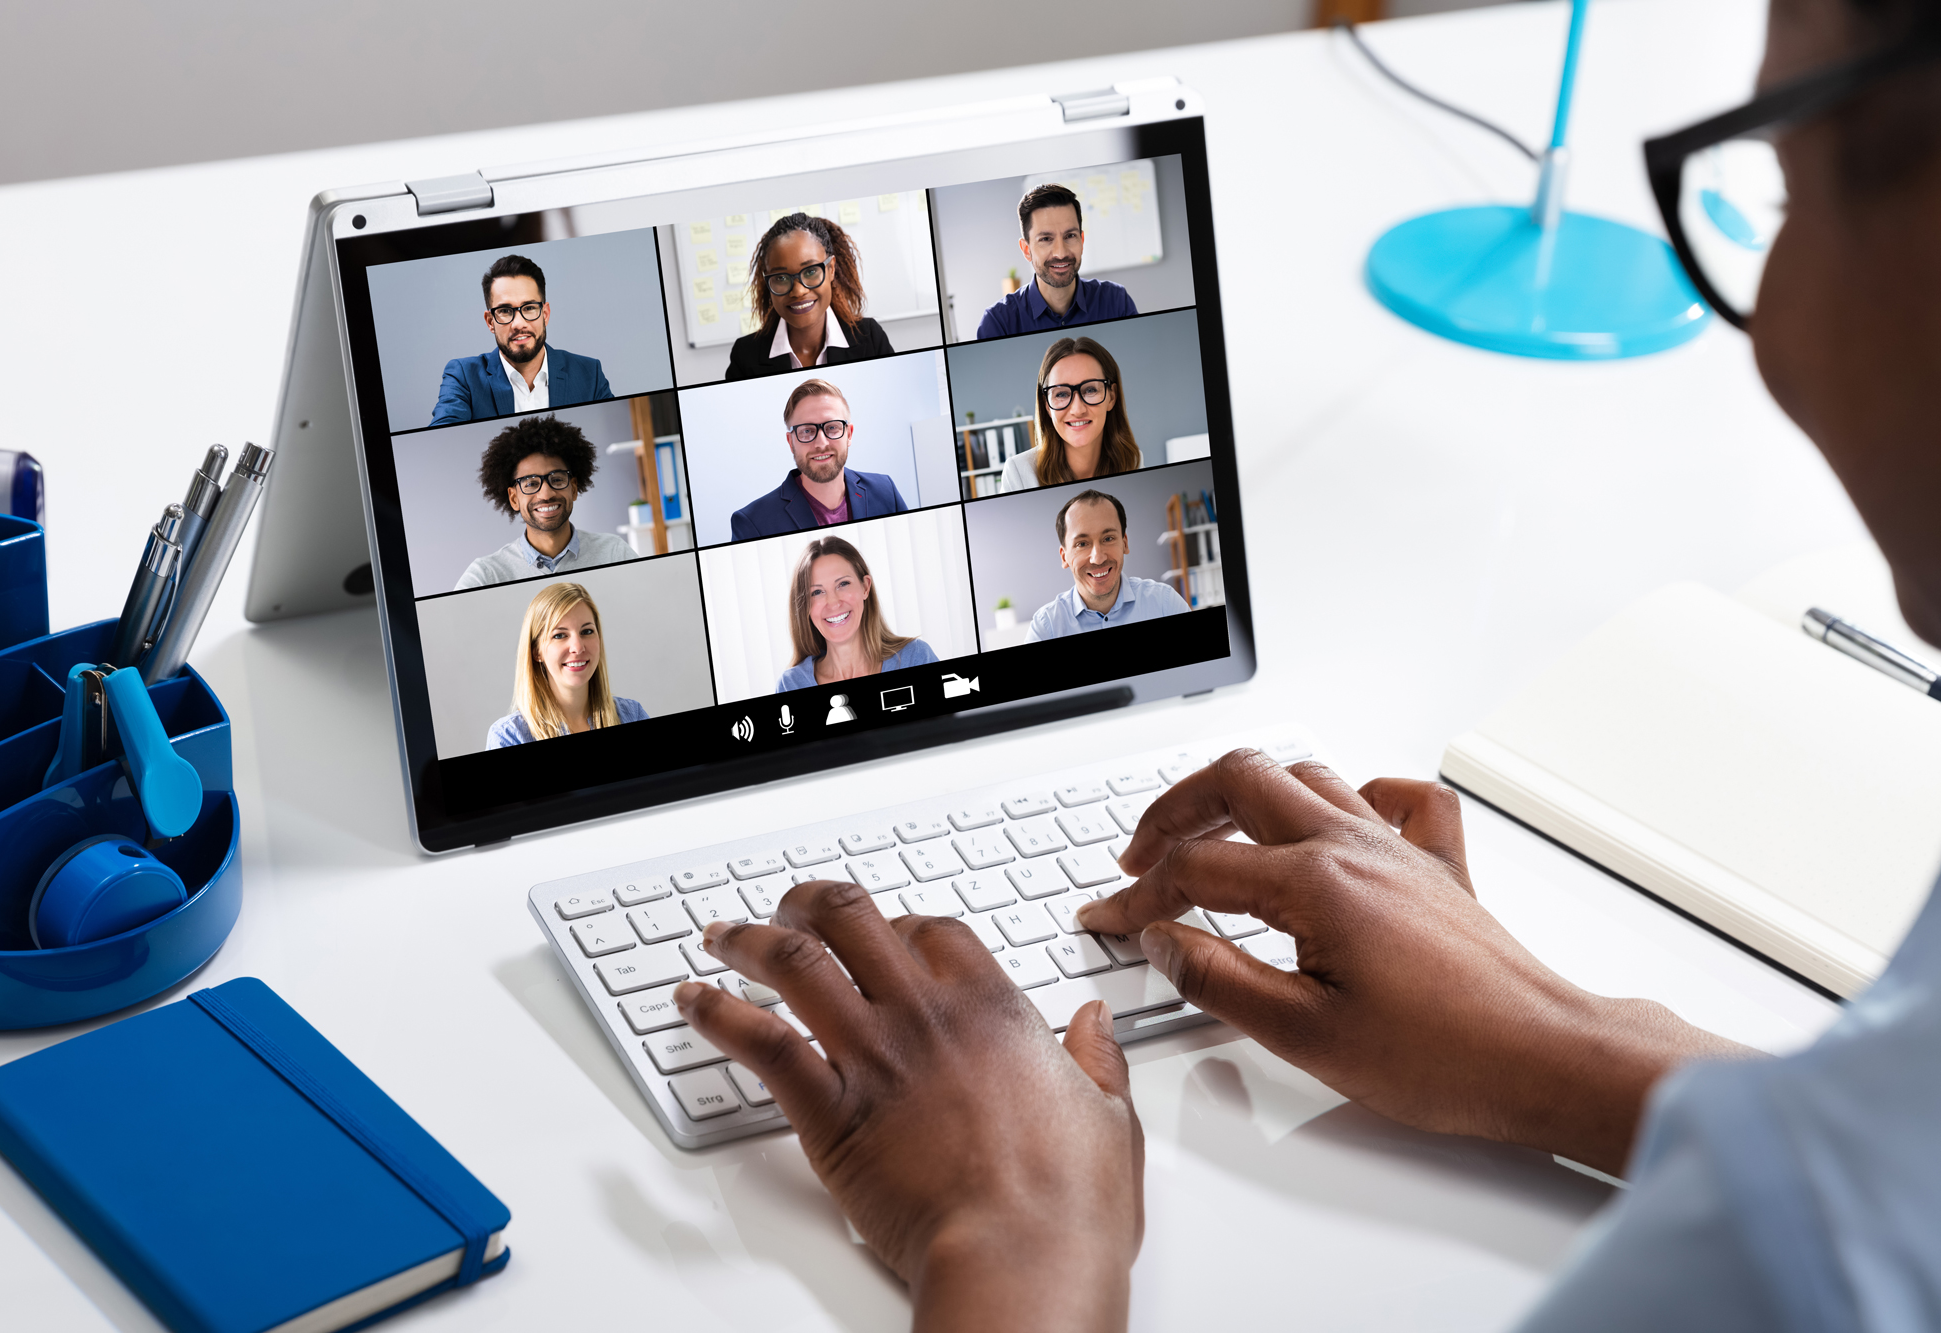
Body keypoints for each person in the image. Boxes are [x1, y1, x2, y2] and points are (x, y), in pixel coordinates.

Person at [666, 0, 1941, 1325]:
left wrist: (1012, 1233)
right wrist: (1563, 1040)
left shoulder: (1805, 1254)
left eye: (1786, 182)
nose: (1769, 313)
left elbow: (1863, 1193)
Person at [429, 255, 612, 427]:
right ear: (490, 321)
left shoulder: (590, 374)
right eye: (505, 311)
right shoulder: (464, 377)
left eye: (529, 308)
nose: (518, 324)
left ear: (545, 314)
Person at [455, 416, 636, 589]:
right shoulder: (486, 576)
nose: (546, 494)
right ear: (514, 499)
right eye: (531, 484)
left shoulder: (614, 553)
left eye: (556, 480)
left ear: (573, 489)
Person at [729, 378, 909, 540]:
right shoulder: (753, 523)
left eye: (832, 428)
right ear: (790, 442)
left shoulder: (886, 491)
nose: (821, 443)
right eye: (807, 431)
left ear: (849, 434)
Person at [726, 214, 895, 380]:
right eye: (781, 278)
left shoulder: (870, 338)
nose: (798, 291)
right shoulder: (745, 356)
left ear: (831, 269)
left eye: (811, 271)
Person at [486, 582, 648, 747]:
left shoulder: (632, 714)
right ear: (537, 651)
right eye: (559, 635)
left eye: (587, 632)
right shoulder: (509, 737)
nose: (577, 647)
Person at [975, 181, 1139, 340]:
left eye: (1070, 236)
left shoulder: (1116, 302)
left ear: (1081, 241)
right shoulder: (999, 323)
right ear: (1026, 250)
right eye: (1046, 238)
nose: (1060, 253)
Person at [774, 535, 937, 691]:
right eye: (817, 592)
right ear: (805, 607)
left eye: (843, 584)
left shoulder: (915, 658)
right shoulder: (791, 685)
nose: (833, 602)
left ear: (865, 587)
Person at [1026, 489, 1187, 640]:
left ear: (1124, 543)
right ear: (1064, 557)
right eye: (1082, 544)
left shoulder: (1165, 604)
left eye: (1108, 539)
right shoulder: (1046, 628)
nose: (1098, 558)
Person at [1000, 336, 1144, 492]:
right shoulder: (1018, 474)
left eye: (1090, 390)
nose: (1077, 410)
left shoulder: (1133, 461)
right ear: (1046, 405)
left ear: (1112, 397)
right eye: (1061, 394)